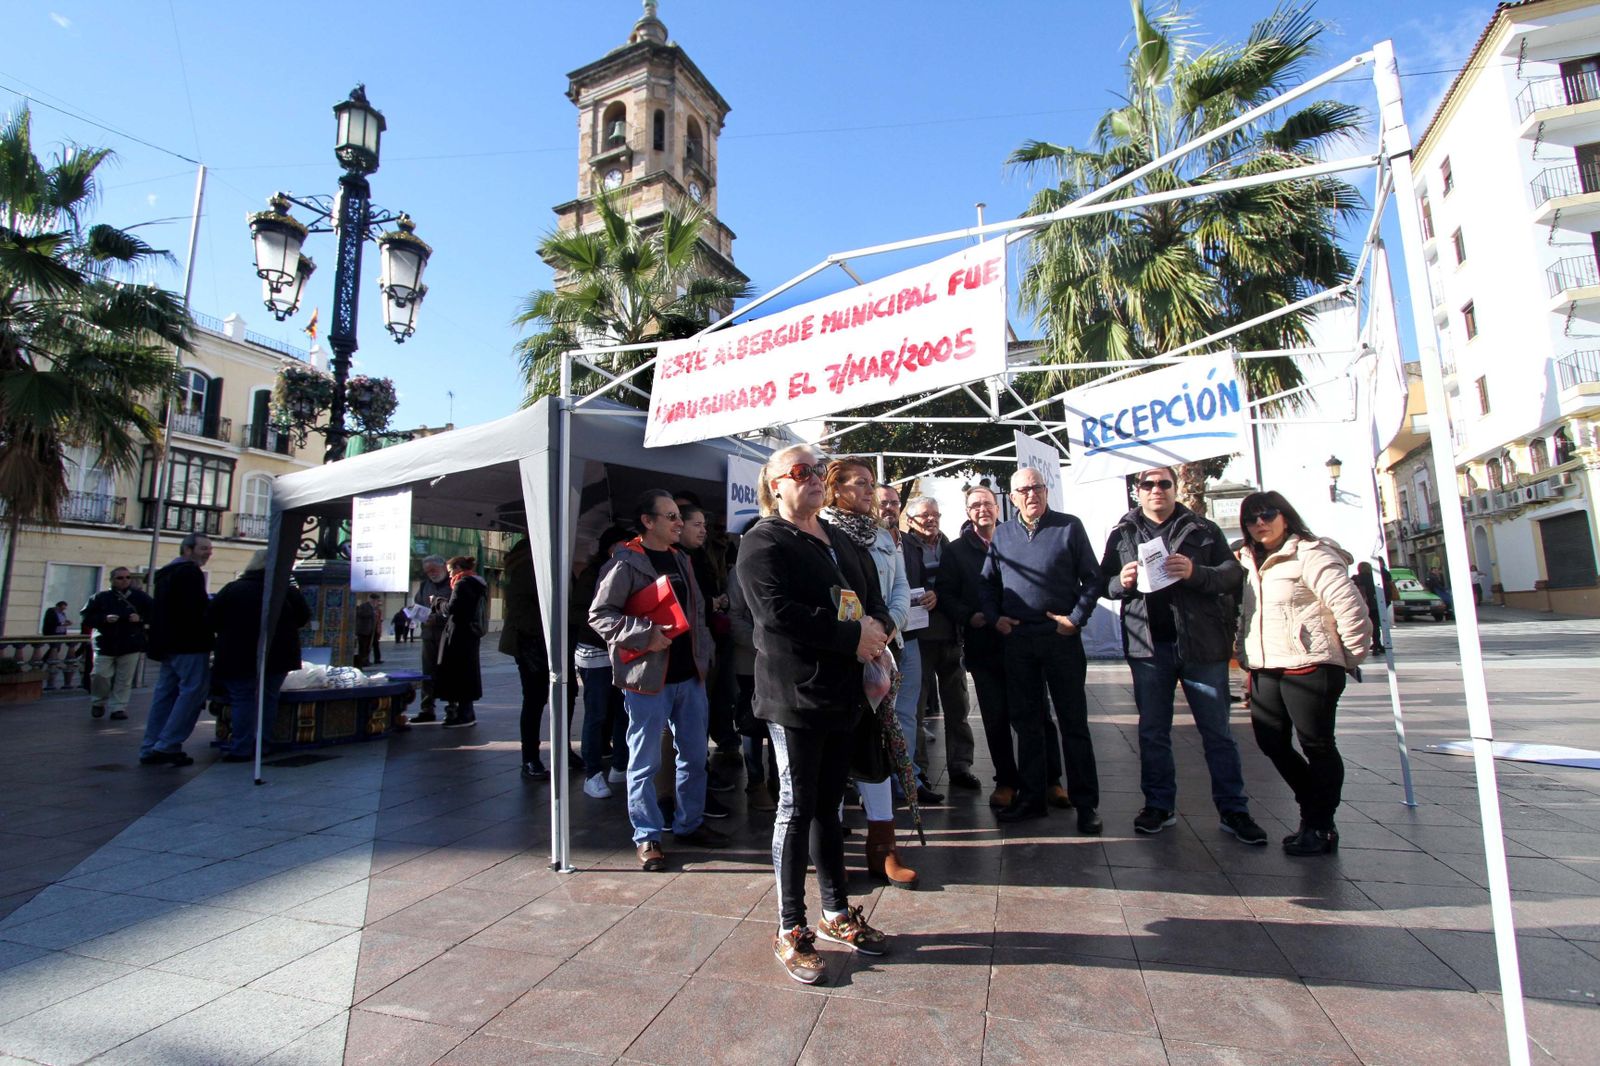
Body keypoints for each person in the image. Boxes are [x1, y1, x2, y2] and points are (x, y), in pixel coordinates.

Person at [738, 445, 891, 984]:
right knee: (796, 806)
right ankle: (789, 927)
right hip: (795, 696)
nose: (812, 480)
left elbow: (872, 597)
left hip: (844, 693)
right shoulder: (762, 541)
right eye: (798, 473)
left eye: (816, 472)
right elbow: (774, 615)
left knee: (831, 807)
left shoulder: (842, 540)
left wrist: (880, 628)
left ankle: (835, 912)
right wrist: (854, 636)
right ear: (774, 486)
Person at [1101, 466, 1268, 845]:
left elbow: (1231, 574)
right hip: (1148, 647)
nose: (1156, 489)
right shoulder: (1122, 533)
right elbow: (1101, 581)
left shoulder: (1203, 530)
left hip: (1202, 647)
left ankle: (1234, 810)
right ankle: (1158, 805)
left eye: (1164, 483)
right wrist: (1120, 583)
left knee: (1218, 733)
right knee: (1153, 731)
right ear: (1137, 492)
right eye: (1148, 484)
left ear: (1175, 489)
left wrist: (1195, 572)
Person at [589, 490, 727, 872]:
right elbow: (600, 616)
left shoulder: (682, 558)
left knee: (696, 756)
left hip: (690, 676)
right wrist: (644, 634)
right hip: (648, 678)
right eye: (670, 517)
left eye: (678, 516)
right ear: (648, 522)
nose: (678, 522)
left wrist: (705, 654)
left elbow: (694, 614)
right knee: (645, 762)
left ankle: (689, 823)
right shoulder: (625, 562)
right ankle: (647, 835)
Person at [1236, 491, 1372, 856]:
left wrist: (1348, 657)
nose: (1259, 522)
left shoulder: (1311, 554)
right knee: (1271, 742)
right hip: (1266, 666)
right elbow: (1247, 615)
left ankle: (1320, 825)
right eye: (1251, 518)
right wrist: (1244, 655)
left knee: (1317, 745)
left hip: (1310, 666)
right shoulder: (1246, 560)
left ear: (1286, 515)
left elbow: (1350, 607)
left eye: (1267, 514)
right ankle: (1313, 810)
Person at [981, 468, 1103, 831]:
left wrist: (1076, 618)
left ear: (1046, 491)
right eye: (1023, 489)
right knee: (1027, 723)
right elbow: (987, 584)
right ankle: (1032, 798)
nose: (1031, 494)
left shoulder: (1069, 527)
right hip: (1018, 641)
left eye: (1037, 487)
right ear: (1013, 497)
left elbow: (1093, 579)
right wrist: (994, 618)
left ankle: (1086, 805)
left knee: (1073, 723)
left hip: (1060, 639)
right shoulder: (1002, 535)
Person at [823, 458, 917, 888]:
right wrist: (852, 637)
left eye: (872, 483)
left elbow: (896, 588)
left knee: (875, 751)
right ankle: (831, 854)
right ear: (834, 487)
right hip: (833, 658)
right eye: (860, 483)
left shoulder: (883, 536)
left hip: (879, 652)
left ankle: (883, 849)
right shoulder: (817, 531)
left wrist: (884, 629)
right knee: (830, 759)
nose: (869, 490)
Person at [902, 495, 980, 791]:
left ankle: (961, 766)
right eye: (924, 516)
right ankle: (918, 770)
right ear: (910, 521)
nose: (931, 519)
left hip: (951, 636)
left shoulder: (952, 547)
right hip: (918, 639)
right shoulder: (902, 547)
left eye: (935, 514)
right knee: (916, 709)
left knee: (958, 706)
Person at [207, 550, 311, 761]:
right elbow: (303, 617)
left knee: (242, 699)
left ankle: (241, 746)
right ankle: (263, 744)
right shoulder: (285, 591)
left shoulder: (233, 589)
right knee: (269, 699)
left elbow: (211, 619)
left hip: (237, 654)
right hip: (277, 654)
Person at [877, 482, 943, 806]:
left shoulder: (912, 546)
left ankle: (909, 781)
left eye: (893, 503)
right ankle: (877, 785)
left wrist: (930, 595)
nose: (888, 507)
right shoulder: (862, 544)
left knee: (907, 715)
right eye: (882, 503)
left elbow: (918, 586)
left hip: (912, 641)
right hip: (878, 642)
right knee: (876, 717)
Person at [139, 532, 215, 767]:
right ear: (188, 549)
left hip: (166, 644)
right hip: (188, 644)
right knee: (193, 692)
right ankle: (168, 744)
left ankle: (150, 744)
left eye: (210, 549)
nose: (208, 553)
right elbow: (195, 610)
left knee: (165, 694)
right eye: (204, 548)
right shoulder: (189, 573)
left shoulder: (165, 574)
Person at [501, 537, 573, 778]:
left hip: (547, 640)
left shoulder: (536, 562)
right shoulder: (526, 566)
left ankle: (558, 751)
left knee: (563, 694)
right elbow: (523, 609)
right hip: (533, 643)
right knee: (535, 699)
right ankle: (530, 758)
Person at [573, 526, 632, 794]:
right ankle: (593, 773)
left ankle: (620, 764)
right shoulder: (593, 574)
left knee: (622, 711)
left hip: (619, 651)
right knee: (596, 713)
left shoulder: (626, 569)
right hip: (596, 653)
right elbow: (587, 616)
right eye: (623, 544)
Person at [82, 567, 155, 720]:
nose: (124, 581)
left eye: (127, 577)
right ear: (112, 580)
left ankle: (118, 708)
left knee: (124, 679)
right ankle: (98, 702)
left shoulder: (140, 597)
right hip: (105, 643)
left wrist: (140, 618)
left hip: (130, 642)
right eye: (120, 578)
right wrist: (104, 619)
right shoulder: (100, 597)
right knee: (100, 675)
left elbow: (155, 614)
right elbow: (86, 617)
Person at [435, 556, 488, 728]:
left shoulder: (462, 583)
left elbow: (452, 608)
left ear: (458, 568)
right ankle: (466, 712)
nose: (449, 576)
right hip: (470, 635)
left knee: (457, 674)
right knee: (466, 673)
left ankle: (463, 714)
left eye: (450, 571)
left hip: (459, 636)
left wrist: (437, 601)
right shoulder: (477, 583)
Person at [412, 555, 452, 721]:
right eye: (428, 571)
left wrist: (439, 617)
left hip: (448, 635)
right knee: (428, 672)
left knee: (450, 672)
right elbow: (418, 604)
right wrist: (416, 613)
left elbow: (457, 608)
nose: (431, 573)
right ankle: (427, 709)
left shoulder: (452, 584)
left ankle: (453, 709)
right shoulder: (425, 585)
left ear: (443, 567)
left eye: (434, 570)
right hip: (429, 635)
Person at [1354, 562, 1384, 654]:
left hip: (1361, 605)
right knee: (1375, 625)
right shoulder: (1374, 578)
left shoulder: (1356, 578)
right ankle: (1376, 645)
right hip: (1374, 604)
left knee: (1362, 627)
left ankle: (1362, 647)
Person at [355, 593, 383, 667]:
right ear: (371, 600)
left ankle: (367, 660)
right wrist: (371, 613)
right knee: (363, 647)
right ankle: (362, 661)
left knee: (369, 647)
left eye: (377, 600)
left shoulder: (374, 608)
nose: (376, 602)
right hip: (363, 631)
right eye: (375, 600)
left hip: (371, 631)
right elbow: (360, 614)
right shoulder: (364, 606)